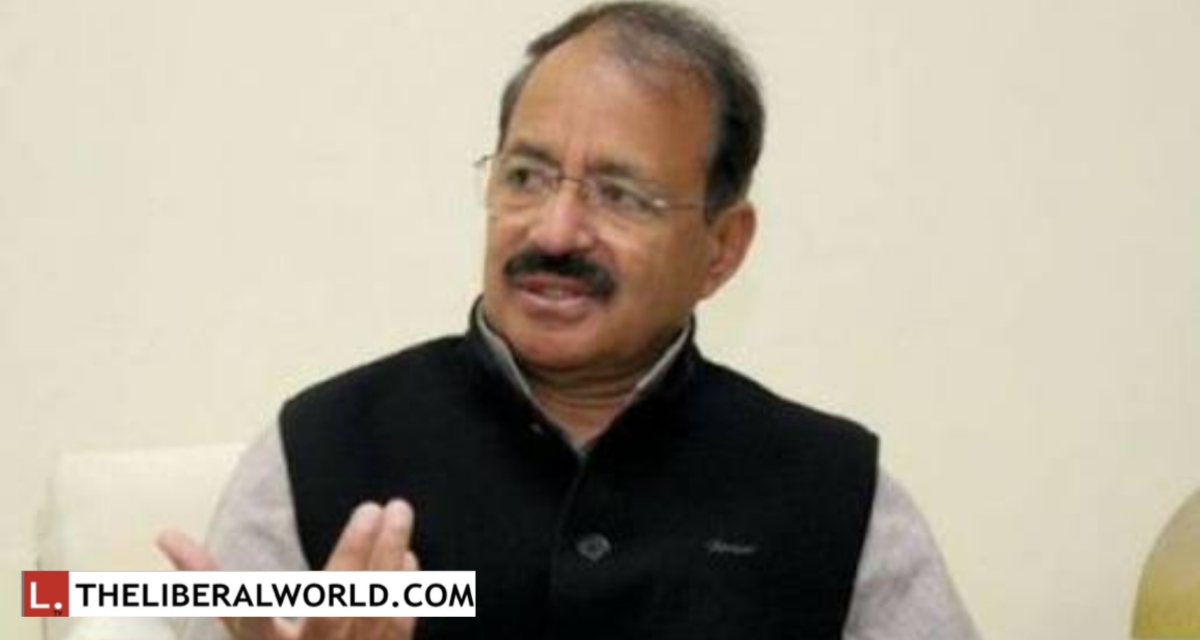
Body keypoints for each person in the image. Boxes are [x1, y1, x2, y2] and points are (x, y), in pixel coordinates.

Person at [159, 2, 979, 639]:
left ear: (722, 248)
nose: (554, 232)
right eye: (526, 176)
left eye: (620, 195)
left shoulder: (836, 494)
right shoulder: (317, 450)